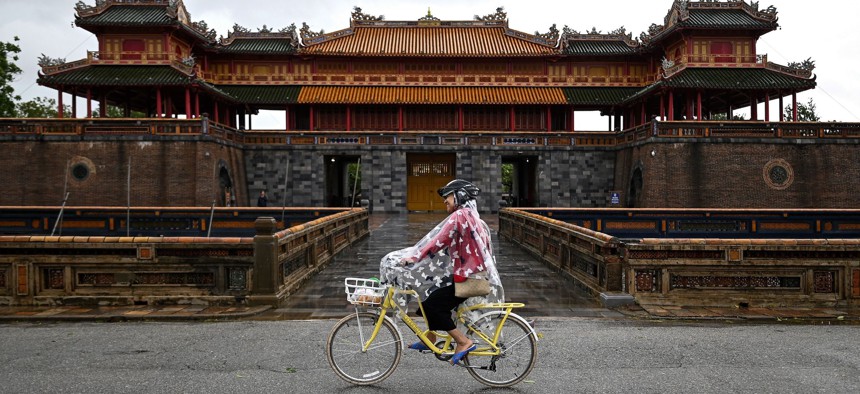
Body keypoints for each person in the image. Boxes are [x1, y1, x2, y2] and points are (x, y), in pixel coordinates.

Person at [379, 179, 503, 366]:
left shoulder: (461, 216)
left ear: (459, 197)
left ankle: (463, 341)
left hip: (469, 279)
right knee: (427, 295)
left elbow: (438, 240)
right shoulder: (471, 216)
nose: (445, 200)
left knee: (433, 306)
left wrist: (415, 257)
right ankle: (430, 338)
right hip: (470, 275)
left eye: (448, 197)